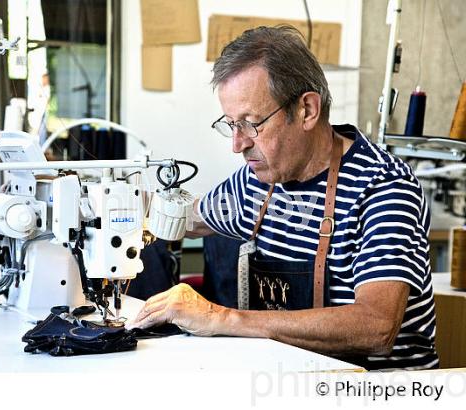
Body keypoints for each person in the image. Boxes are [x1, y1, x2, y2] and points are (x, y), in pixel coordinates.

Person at [127, 25, 438, 371]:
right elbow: (189, 217)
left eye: (250, 123)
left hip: (383, 393)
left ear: (307, 110)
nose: (237, 144)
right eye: (231, 124)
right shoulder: (256, 184)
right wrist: (120, 207)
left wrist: (221, 318)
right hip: (291, 383)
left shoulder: (383, 188)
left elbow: (376, 327)